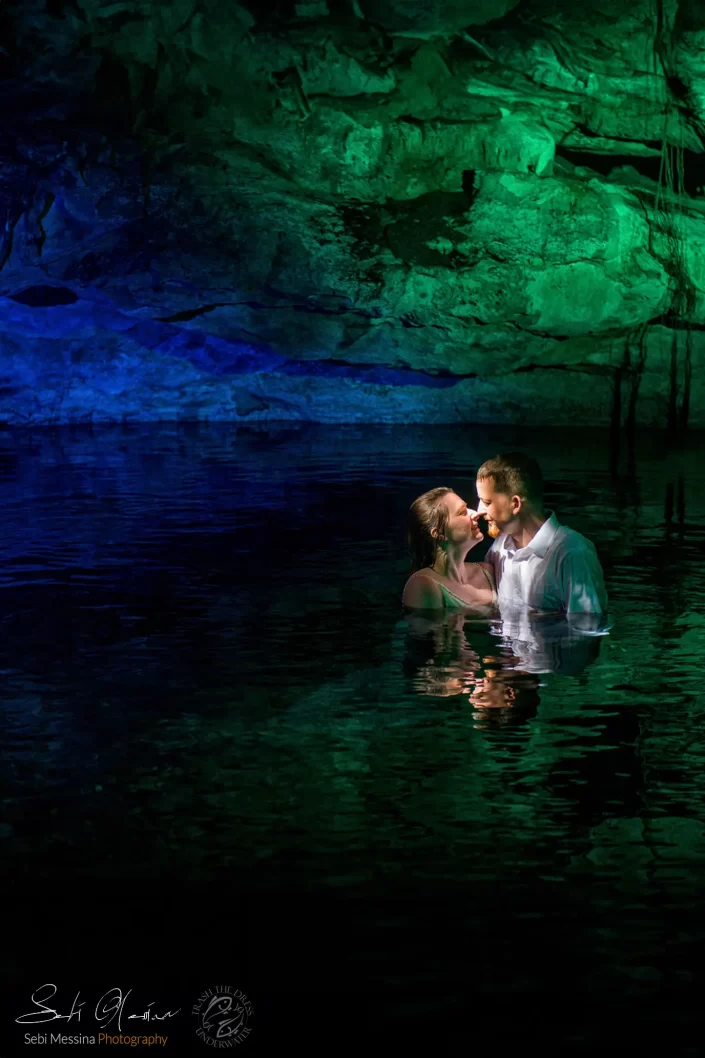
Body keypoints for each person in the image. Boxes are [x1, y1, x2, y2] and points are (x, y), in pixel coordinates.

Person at [474, 452, 607, 616]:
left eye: (487, 502)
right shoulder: (498, 549)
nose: (479, 511)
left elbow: (587, 628)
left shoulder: (572, 553)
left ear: (515, 504)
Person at [402, 487, 496, 610]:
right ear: (440, 533)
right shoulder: (423, 584)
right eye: (462, 512)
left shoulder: (488, 571)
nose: (475, 513)